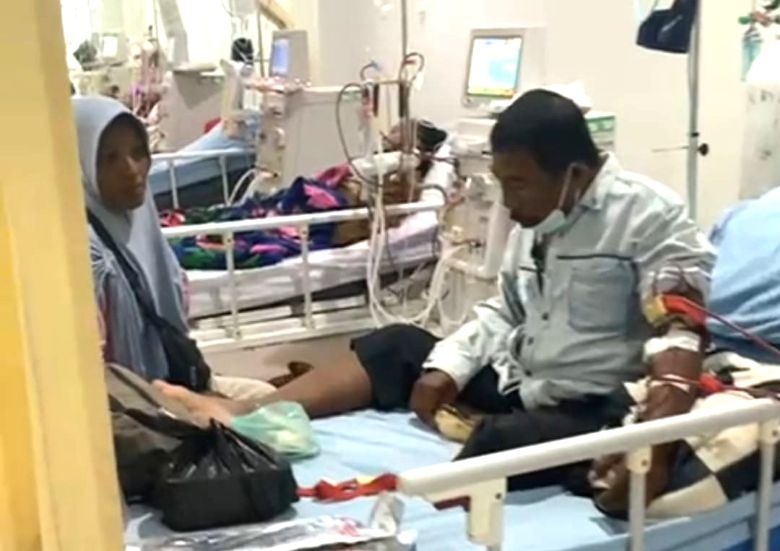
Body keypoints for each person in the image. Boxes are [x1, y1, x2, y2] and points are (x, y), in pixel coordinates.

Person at [156, 90, 714, 498]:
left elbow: (681, 333)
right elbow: (505, 310)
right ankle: (245, 411)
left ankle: (421, 512)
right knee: (398, 344)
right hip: (522, 379)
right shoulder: (538, 220)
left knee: (499, 441)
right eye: (502, 183)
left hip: (587, 404)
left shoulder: (647, 216)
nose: (508, 202)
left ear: (571, 173)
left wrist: (656, 444)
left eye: (518, 184)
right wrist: (449, 366)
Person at [72, 96, 272, 401]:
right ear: (80, 165)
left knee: (271, 399)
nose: (131, 169)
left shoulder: (142, 220)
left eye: (138, 153)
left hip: (178, 377)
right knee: (263, 412)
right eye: (109, 158)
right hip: (133, 402)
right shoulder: (88, 254)